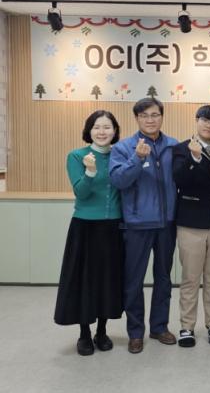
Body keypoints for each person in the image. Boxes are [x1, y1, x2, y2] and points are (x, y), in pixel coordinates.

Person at [109, 97, 178, 354]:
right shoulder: (124, 148)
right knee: (133, 281)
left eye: (155, 114)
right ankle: (135, 332)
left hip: (167, 224)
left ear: (162, 116)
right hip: (136, 224)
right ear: (137, 118)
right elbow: (119, 181)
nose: (150, 120)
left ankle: (159, 327)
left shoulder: (173, 146)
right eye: (144, 115)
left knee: (164, 279)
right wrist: (137, 158)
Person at [54, 110, 124, 356]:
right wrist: (90, 172)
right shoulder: (77, 156)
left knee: (108, 279)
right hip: (85, 227)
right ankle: (84, 333)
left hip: (114, 227)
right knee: (85, 280)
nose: (102, 132)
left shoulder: (119, 155)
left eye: (107, 127)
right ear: (89, 130)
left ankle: (102, 331)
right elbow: (81, 193)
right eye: (97, 127)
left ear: (115, 131)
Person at [172, 105, 210, 347]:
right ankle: (186, 326)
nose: (209, 125)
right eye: (205, 120)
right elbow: (179, 179)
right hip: (191, 224)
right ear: (197, 121)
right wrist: (194, 158)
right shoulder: (181, 149)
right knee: (190, 278)